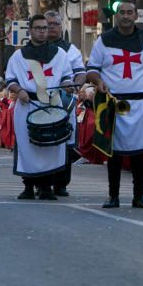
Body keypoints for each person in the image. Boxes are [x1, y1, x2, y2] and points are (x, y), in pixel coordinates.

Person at [86, 1, 143, 208]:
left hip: (139, 104)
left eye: (129, 12)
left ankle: (138, 196)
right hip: (113, 102)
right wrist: (98, 81)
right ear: (117, 15)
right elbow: (92, 70)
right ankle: (113, 196)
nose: (125, 16)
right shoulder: (104, 41)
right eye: (121, 12)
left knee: (139, 152)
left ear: (135, 16)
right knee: (113, 152)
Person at [5, 15, 74, 201]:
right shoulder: (18, 56)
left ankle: (46, 187)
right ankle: (28, 186)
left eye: (44, 28)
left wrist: (68, 84)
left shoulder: (60, 54)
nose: (42, 31)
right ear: (30, 31)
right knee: (28, 146)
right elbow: (10, 79)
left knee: (51, 146)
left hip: (52, 104)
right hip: (27, 103)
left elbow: (67, 75)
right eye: (38, 28)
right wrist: (19, 90)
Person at [44, 11, 87, 196]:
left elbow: (80, 72)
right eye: (48, 24)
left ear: (61, 27)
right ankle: (39, 182)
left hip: (64, 102)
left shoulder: (70, 50)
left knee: (64, 142)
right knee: (41, 142)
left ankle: (61, 184)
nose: (52, 27)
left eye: (55, 24)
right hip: (39, 101)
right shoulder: (32, 49)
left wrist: (75, 86)